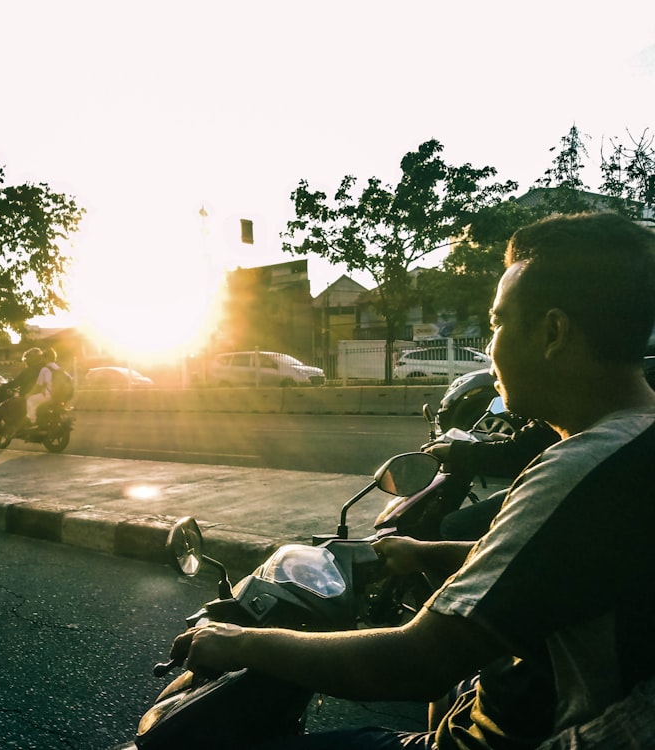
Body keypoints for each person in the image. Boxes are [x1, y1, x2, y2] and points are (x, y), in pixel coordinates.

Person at [169, 212, 655, 749]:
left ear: (553, 333)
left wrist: (240, 643)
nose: (490, 348)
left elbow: (415, 661)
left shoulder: (581, 466)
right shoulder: (635, 444)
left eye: (496, 323)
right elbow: (559, 559)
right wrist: (425, 554)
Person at [425, 417, 560, 540]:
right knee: (494, 500)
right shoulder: (551, 415)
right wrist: (507, 439)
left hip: (550, 491)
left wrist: (453, 451)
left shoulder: (555, 412)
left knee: (453, 524)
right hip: (548, 484)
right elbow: (530, 443)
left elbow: (513, 454)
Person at [0, 347, 42, 438]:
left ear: (32, 359)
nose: (27, 362)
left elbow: (17, 382)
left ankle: (17, 428)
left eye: (28, 359)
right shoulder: (43, 369)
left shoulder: (29, 371)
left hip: (28, 396)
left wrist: (4, 386)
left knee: (8, 405)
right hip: (40, 396)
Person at [26, 347, 59, 425]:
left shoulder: (45, 369)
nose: (42, 360)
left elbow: (38, 385)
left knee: (30, 400)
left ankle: (32, 422)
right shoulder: (58, 368)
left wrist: (29, 394)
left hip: (49, 396)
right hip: (58, 396)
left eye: (43, 357)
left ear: (46, 358)